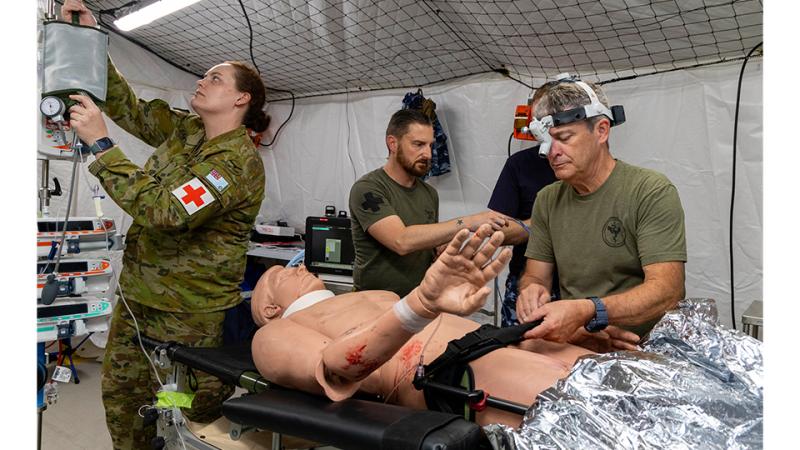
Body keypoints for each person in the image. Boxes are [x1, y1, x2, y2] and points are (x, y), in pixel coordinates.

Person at [61, 1, 268, 448]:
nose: (202, 80)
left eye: (215, 77)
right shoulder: (187, 131)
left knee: (186, 419)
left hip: (190, 317)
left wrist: (101, 144)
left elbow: (166, 211)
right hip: (138, 300)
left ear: (241, 98)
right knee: (122, 401)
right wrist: (91, 39)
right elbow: (128, 108)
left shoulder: (234, 162)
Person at [250, 225, 639, 428]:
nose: (297, 266)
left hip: (494, 341)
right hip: (442, 372)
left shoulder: (369, 295)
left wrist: (561, 328)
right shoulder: (274, 333)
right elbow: (335, 369)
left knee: (643, 376)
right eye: (280, 275)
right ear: (269, 306)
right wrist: (418, 305)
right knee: (615, 412)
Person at [516, 77, 687, 344]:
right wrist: (531, 290)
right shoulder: (547, 200)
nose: (552, 152)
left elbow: (667, 291)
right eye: (547, 142)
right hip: (580, 342)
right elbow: (536, 275)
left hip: (643, 346)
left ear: (602, 130)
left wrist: (590, 312)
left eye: (564, 138)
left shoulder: (649, 191)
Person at [349, 109, 508, 297]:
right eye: (418, 144)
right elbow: (401, 241)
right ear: (393, 143)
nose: (428, 154)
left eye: (430, 145)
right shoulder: (368, 188)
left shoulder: (429, 193)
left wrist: (451, 249)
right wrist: (469, 221)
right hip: (372, 302)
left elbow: (428, 246)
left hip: (416, 301)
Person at [488, 82, 558, 327]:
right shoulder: (519, 165)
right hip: (526, 283)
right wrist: (547, 222)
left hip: (580, 288)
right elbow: (498, 229)